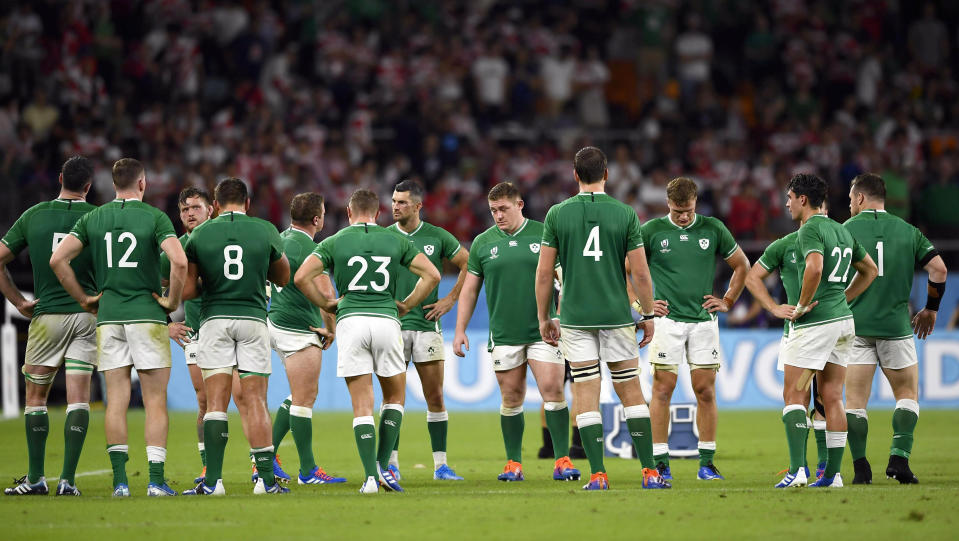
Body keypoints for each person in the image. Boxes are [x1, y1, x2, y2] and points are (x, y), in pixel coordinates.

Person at [534, 146, 668, 491]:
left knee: (586, 394)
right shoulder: (625, 214)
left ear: (575, 175)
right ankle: (650, 473)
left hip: (576, 318)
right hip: (616, 317)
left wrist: (545, 317)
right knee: (631, 392)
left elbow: (545, 273)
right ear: (606, 174)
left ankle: (597, 475)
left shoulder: (556, 214)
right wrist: (648, 313)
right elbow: (640, 272)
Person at [50, 158, 186, 497]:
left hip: (109, 317)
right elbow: (179, 261)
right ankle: (155, 482)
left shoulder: (93, 217)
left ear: (113, 185)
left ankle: (120, 483)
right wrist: (171, 301)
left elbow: (57, 260)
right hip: (147, 315)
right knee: (155, 401)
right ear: (142, 184)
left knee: (116, 402)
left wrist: (83, 298)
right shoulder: (154, 217)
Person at [294, 188, 440, 494]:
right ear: (378, 213)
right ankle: (383, 466)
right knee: (395, 399)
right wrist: (407, 304)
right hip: (387, 321)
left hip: (351, 322)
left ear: (348, 212)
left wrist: (327, 303)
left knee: (362, 405)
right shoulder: (395, 239)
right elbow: (433, 275)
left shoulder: (335, 241)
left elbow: (301, 277)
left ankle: (370, 479)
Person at [453, 182, 580, 482]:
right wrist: (460, 329)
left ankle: (562, 459)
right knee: (511, 397)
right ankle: (514, 463)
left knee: (553, 389)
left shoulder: (543, 234)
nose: (498, 215)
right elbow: (469, 291)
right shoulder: (483, 243)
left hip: (544, 330)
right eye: (493, 210)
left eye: (504, 209)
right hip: (504, 333)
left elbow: (565, 278)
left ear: (519, 205)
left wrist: (559, 315)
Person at [180, 178, 291, 496]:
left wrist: (208, 282)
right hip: (253, 320)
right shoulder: (265, 229)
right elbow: (283, 275)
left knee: (215, 404)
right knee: (255, 400)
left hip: (214, 321)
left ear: (214, 205)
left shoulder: (200, 233)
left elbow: (188, 290)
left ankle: (213, 483)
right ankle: (266, 482)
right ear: (248, 203)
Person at [641, 177, 750, 481]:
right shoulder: (651, 231)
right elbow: (627, 269)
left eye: (688, 210)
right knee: (662, 390)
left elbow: (742, 264)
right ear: (668, 204)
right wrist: (642, 305)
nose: (684, 217)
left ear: (696, 203)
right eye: (678, 212)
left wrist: (728, 299)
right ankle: (661, 463)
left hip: (703, 322)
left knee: (705, 390)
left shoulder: (713, 228)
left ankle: (706, 462)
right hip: (667, 322)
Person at [1, 156, 97, 496]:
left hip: (46, 317)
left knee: (36, 398)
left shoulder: (34, 215)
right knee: (79, 400)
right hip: (87, 317)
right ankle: (68, 481)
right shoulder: (96, 217)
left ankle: (36, 478)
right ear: (89, 185)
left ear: (60, 179)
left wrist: (17, 301)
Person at [843, 173, 948, 484]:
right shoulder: (908, 231)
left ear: (860, 198)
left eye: (851, 199)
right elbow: (939, 269)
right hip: (896, 328)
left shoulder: (844, 230)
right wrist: (931, 309)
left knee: (855, 402)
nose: (849, 204)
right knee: (906, 394)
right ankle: (899, 460)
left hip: (855, 327)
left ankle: (861, 468)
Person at [776, 173, 877, 488]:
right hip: (843, 322)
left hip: (816, 324)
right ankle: (832, 477)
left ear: (802, 199)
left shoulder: (809, 229)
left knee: (794, 394)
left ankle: (797, 472)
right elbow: (870, 270)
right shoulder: (840, 228)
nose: (787, 204)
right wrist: (843, 297)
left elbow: (815, 267)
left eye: (790, 198)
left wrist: (803, 305)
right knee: (832, 396)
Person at [387, 179, 469, 481]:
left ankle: (440, 466)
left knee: (435, 396)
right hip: (392, 329)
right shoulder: (385, 238)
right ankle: (391, 465)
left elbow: (467, 263)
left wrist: (450, 299)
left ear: (418, 206)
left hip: (426, 327)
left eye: (402, 202)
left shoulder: (437, 236)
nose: (395, 207)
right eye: (394, 201)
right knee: (392, 399)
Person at [745, 202, 831, 481]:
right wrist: (773, 307)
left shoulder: (834, 240)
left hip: (812, 331)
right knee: (815, 398)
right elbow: (752, 277)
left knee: (813, 397)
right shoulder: (786, 245)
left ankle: (804, 469)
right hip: (810, 331)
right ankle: (813, 467)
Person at [266, 192, 346, 485]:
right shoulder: (313, 248)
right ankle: (308, 471)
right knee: (304, 398)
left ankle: (267, 456)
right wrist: (332, 329)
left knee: (300, 395)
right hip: (300, 329)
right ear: (317, 219)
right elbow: (327, 296)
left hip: (274, 322)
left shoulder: (278, 238)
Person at [160, 187, 213, 484]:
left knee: (247, 398)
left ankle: (261, 465)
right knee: (204, 402)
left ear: (211, 210)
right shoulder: (174, 248)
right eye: (184, 210)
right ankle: (208, 467)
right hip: (197, 334)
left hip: (232, 332)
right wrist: (165, 322)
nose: (190, 213)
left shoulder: (224, 239)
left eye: (196, 207)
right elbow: (150, 285)